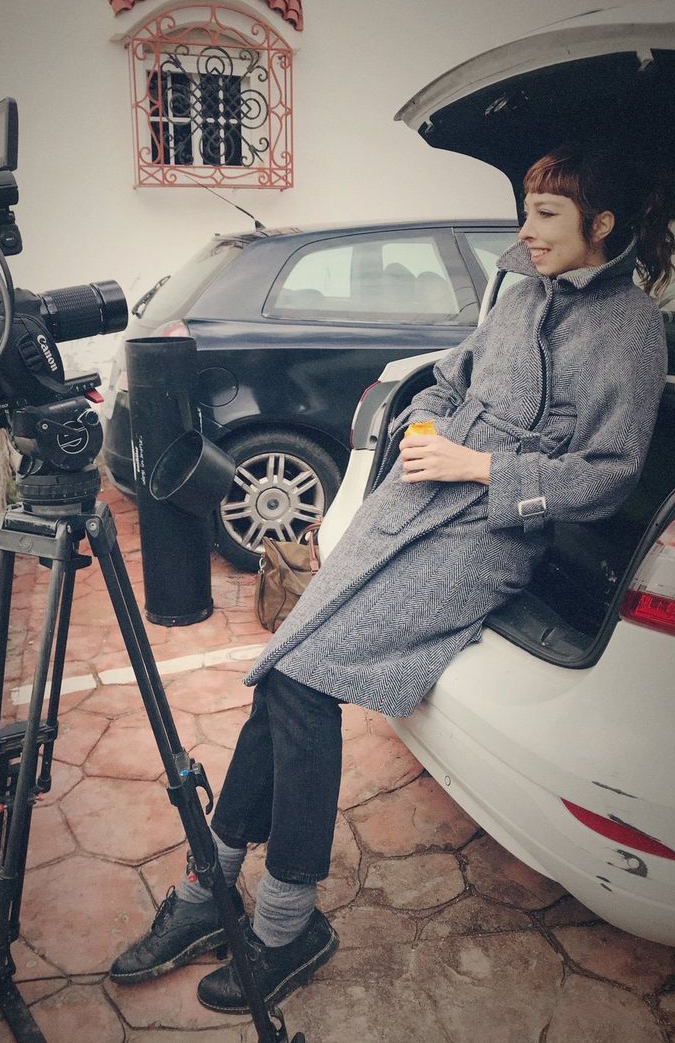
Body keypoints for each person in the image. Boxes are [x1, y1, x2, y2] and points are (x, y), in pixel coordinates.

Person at [109, 145, 672, 1012]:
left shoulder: (630, 327)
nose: (525, 229)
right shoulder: (518, 295)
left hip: (487, 533)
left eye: (547, 214)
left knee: (297, 679)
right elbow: (451, 376)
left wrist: (480, 466)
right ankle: (211, 892)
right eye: (525, 208)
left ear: (601, 224)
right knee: (284, 666)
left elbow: (610, 474)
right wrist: (427, 428)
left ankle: (278, 917)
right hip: (407, 506)